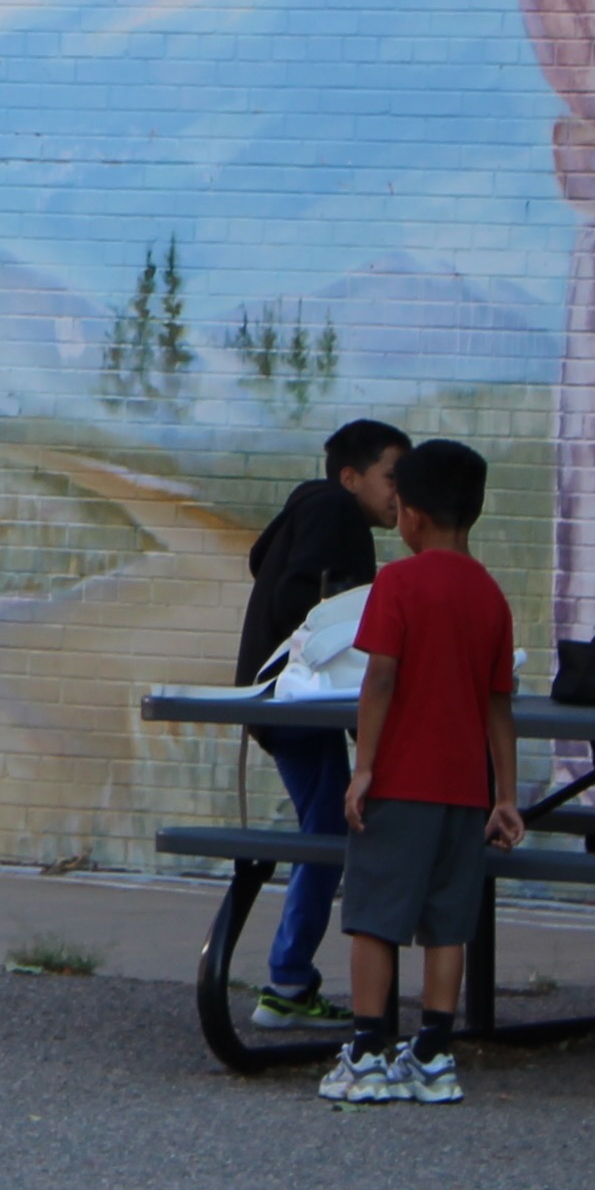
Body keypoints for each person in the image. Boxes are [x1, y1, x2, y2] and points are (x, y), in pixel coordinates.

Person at [323, 438, 519, 1109]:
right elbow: (500, 703)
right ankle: (435, 1051)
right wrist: (507, 793)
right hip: (465, 790)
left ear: (410, 516)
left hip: (400, 779)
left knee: (375, 916)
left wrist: (364, 767)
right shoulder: (491, 595)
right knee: (446, 923)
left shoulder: (398, 583)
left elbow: (380, 675)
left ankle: (368, 1048)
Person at [228, 419, 410, 1023]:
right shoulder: (334, 512)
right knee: (330, 827)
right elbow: (301, 603)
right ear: (350, 476)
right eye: (391, 477)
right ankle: (286, 981)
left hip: (287, 700)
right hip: (298, 701)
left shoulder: (320, 511)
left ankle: (290, 979)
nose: (400, 492)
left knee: (327, 824)